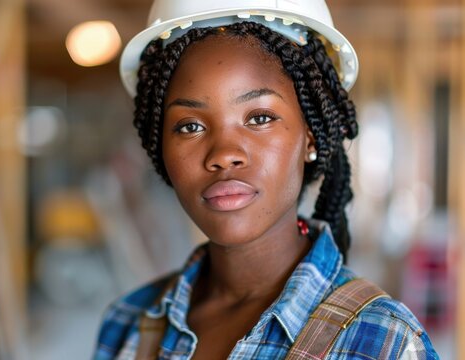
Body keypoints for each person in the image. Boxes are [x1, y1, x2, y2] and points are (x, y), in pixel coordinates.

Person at [94, 0, 439, 358]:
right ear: (158, 147)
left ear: (310, 137)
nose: (224, 154)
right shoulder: (127, 325)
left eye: (259, 118)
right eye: (190, 126)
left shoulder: (383, 342)